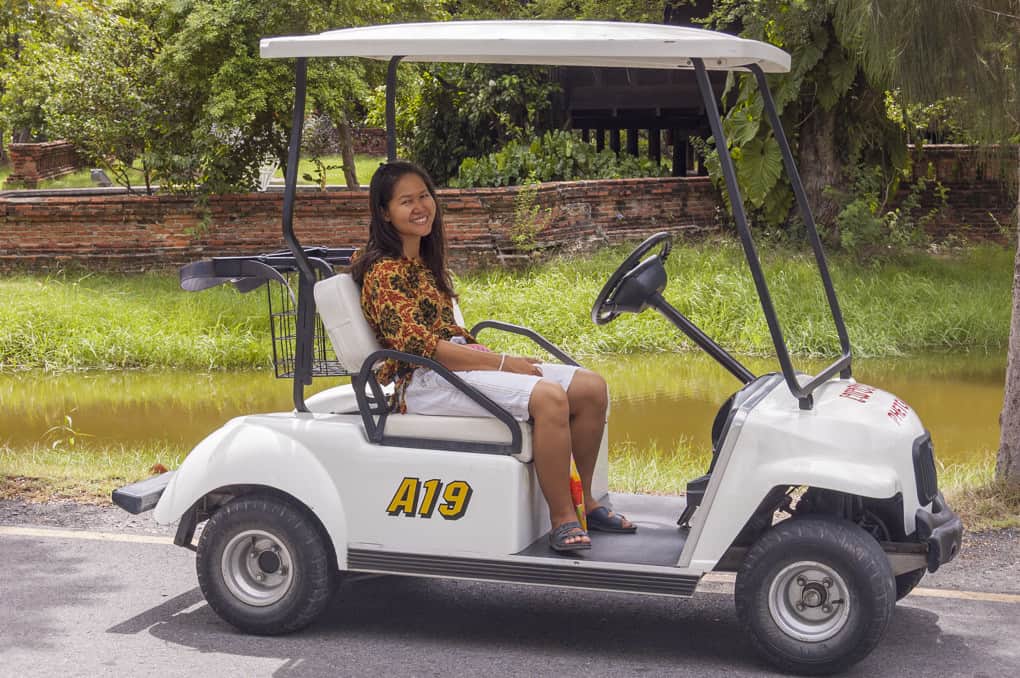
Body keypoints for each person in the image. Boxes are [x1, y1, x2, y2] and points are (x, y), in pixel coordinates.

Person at [350, 160, 636, 553]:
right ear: (384, 212)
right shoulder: (384, 273)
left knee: (590, 387)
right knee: (549, 397)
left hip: (455, 366)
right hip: (424, 380)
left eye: (424, 196)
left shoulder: (423, 261)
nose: (420, 206)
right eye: (406, 201)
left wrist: (496, 360)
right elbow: (420, 347)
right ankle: (562, 519)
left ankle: (585, 502)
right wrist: (504, 363)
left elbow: (450, 338)